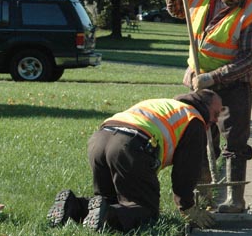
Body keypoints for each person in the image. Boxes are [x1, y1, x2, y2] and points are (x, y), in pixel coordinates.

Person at [46, 90, 222, 232]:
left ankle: (73, 205)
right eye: (216, 114)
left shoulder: (164, 104)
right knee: (146, 211)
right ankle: (108, 214)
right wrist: (187, 206)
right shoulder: (194, 119)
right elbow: (186, 170)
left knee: (108, 201)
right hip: (130, 146)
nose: (215, 120)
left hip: (99, 140)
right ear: (204, 106)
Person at [165, 0, 252, 213]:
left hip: (234, 86)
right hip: (199, 83)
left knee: (235, 142)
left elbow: (251, 57)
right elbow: (177, 10)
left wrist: (214, 77)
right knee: (198, 138)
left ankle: (235, 199)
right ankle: (203, 196)